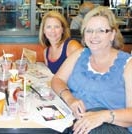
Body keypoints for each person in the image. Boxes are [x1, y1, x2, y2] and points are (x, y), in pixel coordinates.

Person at [51, 6, 132, 134]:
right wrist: (69, 98)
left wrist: (102, 116)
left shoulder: (128, 64)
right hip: (74, 123)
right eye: (89, 30)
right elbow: (57, 79)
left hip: (110, 128)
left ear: (112, 34)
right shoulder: (79, 54)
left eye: (101, 30)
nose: (94, 36)